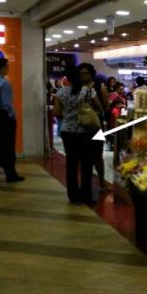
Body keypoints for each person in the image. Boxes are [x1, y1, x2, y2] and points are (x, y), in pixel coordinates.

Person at [53, 65, 102, 203]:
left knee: (71, 164)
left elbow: (56, 112)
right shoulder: (88, 91)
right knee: (87, 165)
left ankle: (73, 196)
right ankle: (86, 195)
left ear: (68, 79)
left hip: (68, 132)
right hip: (85, 131)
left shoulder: (61, 92)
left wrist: (68, 116)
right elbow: (100, 108)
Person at [78, 63, 109, 187]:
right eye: (81, 74)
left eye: (86, 73)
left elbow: (106, 108)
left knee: (98, 155)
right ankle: (86, 182)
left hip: (97, 126)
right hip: (80, 127)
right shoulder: (77, 88)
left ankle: (101, 181)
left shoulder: (100, 87)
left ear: (91, 74)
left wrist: (94, 112)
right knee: (83, 156)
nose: (83, 76)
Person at [0, 58, 23, 182]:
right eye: (7, 66)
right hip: (4, 118)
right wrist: (13, 116)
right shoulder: (5, 83)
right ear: (2, 68)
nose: (9, 68)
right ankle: (10, 174)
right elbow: (7, 104)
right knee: (8, 146)